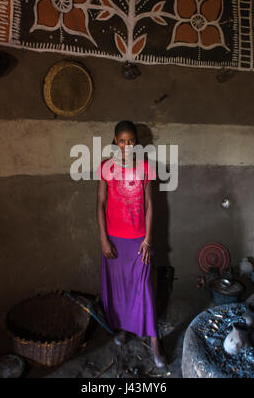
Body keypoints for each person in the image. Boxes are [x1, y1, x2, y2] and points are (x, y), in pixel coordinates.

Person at [96, 120, 167, 368]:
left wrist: (148, 239)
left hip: (139, 240)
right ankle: (125, 329)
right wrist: (104, 239)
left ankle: (155, 343)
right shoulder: (106, 167)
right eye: (122, 140)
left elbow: (149, 204)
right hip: (114, 239)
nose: (127, 145)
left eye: (132, 140)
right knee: (120, 289)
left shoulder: (146, 167)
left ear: (137, 142)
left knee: (144, 289)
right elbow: (101, 204)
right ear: (115, 141)